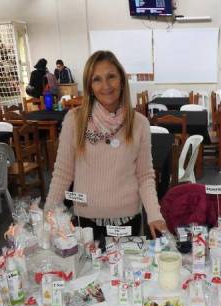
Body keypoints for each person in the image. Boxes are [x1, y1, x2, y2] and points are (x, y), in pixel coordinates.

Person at [45, 50, 166, 244]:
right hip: (84, 223)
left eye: (111, 77)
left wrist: (154, 214)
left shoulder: (139, 123)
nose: (106, 86)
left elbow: (145, 175)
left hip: (127, 221)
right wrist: (48, 214)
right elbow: (63, 173)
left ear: (122, 80)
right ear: (89, 86)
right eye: (97, 79)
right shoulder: (75, 120)